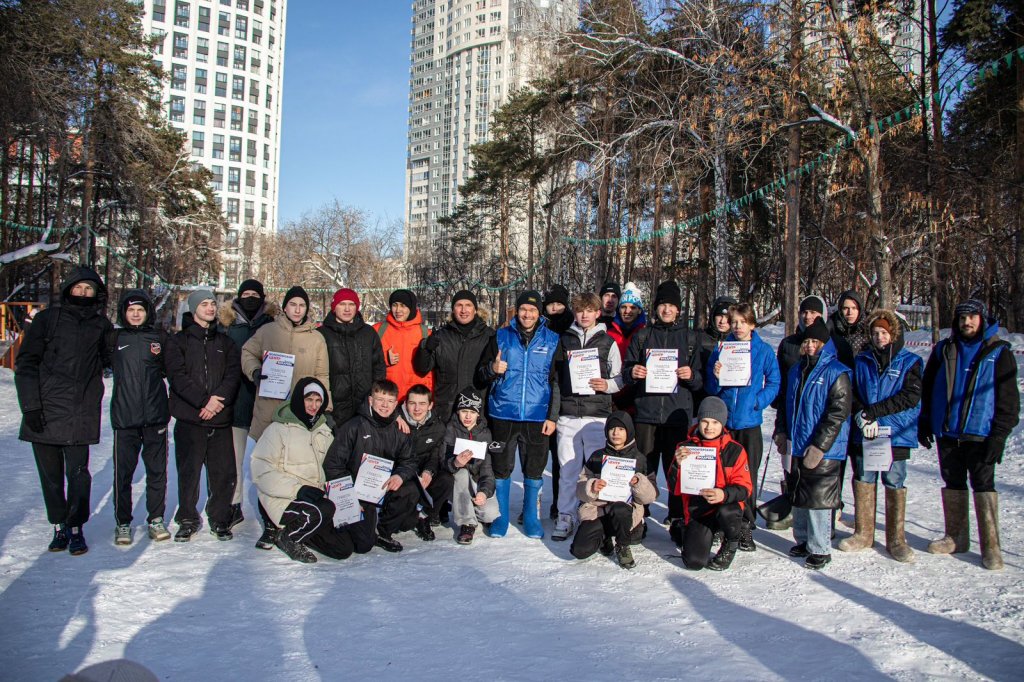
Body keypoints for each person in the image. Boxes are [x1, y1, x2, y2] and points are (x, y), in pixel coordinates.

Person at [15, 266, 112, 555]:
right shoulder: (47, 320)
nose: (83, 293)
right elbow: (26, 365)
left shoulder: (101, 325)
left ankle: (75, 525)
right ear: (68, 289)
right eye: (78, 288)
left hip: (81, 411)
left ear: (97, 293)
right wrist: (30, 405)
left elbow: (113, 358)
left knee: (79, 474)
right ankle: (58, 524)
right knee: (51, 475)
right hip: (44, 410)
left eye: (89, 289)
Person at [919, 299, 1019, 570]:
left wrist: (999, 435)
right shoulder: (944, 349)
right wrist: (925, 421)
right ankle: (956, 537)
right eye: (963, 318)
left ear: (982, 319)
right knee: (952, 482)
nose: (967, 323)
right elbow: (927, 389)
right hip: (948, 432)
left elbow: (1009, 401)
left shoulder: (999, 352)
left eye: (973, 317)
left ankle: (991, 546)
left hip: (981, 433)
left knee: (983, 485)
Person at [476, 290, 559, 539]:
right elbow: (480, 374)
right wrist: (492, 368)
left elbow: (556, 382)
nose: (527, 314)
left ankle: (531, 517)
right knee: (501, 467)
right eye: (523, 309)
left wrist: (552, 417)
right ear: (517, 310)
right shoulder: (500, 336)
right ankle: (501, 516)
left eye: (533, 310)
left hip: (536, 415)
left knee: (534, 469)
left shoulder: (552, 340)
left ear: (539, 313)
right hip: (503, 413)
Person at [840, 309, 921, 563]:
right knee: (864, 477)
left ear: (893, 333)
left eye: (884, 333)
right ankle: (864, 532)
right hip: (866, 432)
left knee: (894, 480)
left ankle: (896, 538)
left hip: (895, 432)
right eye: (875, 333)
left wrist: (873, 412)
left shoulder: (909, 362)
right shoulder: (862, 359)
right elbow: (851, 391)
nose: (879, 337)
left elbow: (910, 396)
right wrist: (861, 414)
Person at [250, 377, 358, 563]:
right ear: (299, 399)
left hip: (316, 499)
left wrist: (345, 495)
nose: (314, 405)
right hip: (284, 499)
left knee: (343, 549)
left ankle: (301, 530)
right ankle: (288, 538)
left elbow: (333, 467)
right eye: (309, 399)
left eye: (318, 400)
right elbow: (261, 471)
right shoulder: (278, 429)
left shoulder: (324, 431)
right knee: (322, 509)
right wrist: (297, 490)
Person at [622, 280, 703, 524]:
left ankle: (677, 513)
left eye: (671, 305)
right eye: (662, 305)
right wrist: (633, 372)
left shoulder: (690, 338)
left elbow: (701, 380)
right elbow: (626, 370)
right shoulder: (643, 335)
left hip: (676, 415)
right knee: (644, 467)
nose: (666, 310)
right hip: (646, 412)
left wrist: (691, 376)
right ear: (655, 308)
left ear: (678, 309)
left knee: (676, 467)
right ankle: (641, 512)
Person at [164, 290, 241, 541]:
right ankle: (187, 518)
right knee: (189, 472)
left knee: (223, 473)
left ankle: (219, 517)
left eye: (212, 304)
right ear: (193, 307)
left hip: (219, 418)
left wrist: (216, 402)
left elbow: (232, 376)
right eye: (204, 304)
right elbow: (178, 377)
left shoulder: (225, 342)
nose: (210, 308)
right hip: (190, 418)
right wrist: (203, 401)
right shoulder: (179, 342)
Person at [705, 303, 780, 551]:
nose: (737, 327)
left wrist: (758, 401)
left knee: (746, 476)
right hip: (725, 425)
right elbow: (711, 387)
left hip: (749, 424)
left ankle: (746, 526)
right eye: (734, 322)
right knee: (721, 474)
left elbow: (774, 381)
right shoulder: (722, 349)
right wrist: (716, 376)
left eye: (742, 322)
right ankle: (720, 524)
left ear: (752, 324)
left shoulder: (763, 350)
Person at [550, 292, 623, 541]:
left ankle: (594, 515)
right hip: (568, 414)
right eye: (580, 310)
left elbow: (620, 377)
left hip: (597, 416)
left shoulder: (608, 342)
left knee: (596, 471)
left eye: (589, 310)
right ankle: (565, 516)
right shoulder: (564, 340)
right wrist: (557, 413)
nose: (584, 315)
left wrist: (608, 385)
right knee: (568, 470)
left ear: (597, 313)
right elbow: (556, 379)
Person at [783, 318, 852, 570]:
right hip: (799, 442)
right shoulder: (796, 370)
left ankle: (820, 547)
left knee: (818, 498)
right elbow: (787, 405)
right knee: (800, 494)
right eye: (807, 341)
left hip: (824, 447)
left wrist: (820, 445)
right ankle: (803, 539)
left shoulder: (837, 372)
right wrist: (783, 433)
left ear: (825, 344)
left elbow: (838, 413)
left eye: (816, 341)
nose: (811, 346)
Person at [323, 379, 419, 553]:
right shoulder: (354, 427)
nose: (385, 405)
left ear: (396, 403)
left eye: (390, 401)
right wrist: (349, 495)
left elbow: (410, 461)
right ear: (370, 400)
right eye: (380, 399)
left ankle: (384, 530)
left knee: (411, 490)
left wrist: (400, 476)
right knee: (363, 545)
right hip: (357, 492)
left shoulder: (399, 429)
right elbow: (333, 465)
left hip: (383, 488)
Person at [107, 289, 171, 545]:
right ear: (124, 312)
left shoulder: (159, 338)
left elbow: (169, 369)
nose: (135, 314)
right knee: (123, 473)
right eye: (131, 310)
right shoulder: (114, 338)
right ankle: (123, 522)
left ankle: (156, 518)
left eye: (140, 310)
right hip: (125, 418)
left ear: (147, 312)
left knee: (157, 472)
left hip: (155, 416)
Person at [218, 278, 276, 532]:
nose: (250, 298)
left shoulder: (274, 325)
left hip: (268, 400)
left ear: (262, 298)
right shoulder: (228, 326)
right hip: (237, 398)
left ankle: (271, 508)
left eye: (255, 294)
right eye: (246, 294)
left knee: (269, 460)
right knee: (233, 458)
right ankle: (233, 505)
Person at [670, 397, 753, 571]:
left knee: (728, 511)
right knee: (694, 562)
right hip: (698, 510)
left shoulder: (735, 449)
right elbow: (673, 488)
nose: (709, 427)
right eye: (705, 421)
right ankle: (701, 532)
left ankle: (731, 542)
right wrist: (677, 466)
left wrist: (724, 494)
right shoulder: (685, 448)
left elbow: (745, 488)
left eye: (715, 422)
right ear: (698, 421)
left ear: (722, 424)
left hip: (725, 506)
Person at [767, 294, 828, 530]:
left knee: (819, 468)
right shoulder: (789, 344)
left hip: (818, 416)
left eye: (814, 312)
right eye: (804, 312)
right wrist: (779, 415)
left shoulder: (831, 343)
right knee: (791, 464)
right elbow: (780, 380)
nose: (808, 316)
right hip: (791, 414)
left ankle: (826, 515)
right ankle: (792, 507)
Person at [241, 286, 330, 442]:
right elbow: (247, 352)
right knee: (262, 460)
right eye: (293, 304)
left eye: (302, 305)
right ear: (285, 307)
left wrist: (326, 407)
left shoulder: (316, 338)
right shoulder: (267, 331)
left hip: (301, 409)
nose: (297, 310)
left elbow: (322, 375)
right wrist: (254, 371)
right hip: (268, 408)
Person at [570, 412, 656, 569]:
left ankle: (623, 546)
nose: (616, 433)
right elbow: (579, 487)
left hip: (626, 512)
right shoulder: (597, 456)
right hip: (599, 511)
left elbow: (651, 496)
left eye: (621, 429)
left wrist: (639, 483)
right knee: (579, 551)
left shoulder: (640, 459)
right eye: (612, 429)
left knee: (620, 508)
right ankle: (604, 536)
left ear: (629, 431)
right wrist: (591, 486)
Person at [413, 289, 494, 423]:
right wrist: (425, 348)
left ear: (475, 310)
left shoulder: (489, 336)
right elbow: (422, 368)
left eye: (468, 305)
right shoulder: (440, 336)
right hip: (446, 411)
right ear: (453, 310)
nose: (463, 310)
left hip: (477, 411)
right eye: (459, 305)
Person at [319, 287, 386, 428]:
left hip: (363, 406)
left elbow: (378, 367)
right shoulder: (322, 334)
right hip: (334, 409)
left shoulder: (368, 333)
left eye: (352, 304)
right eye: (342, 304)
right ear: (334, 307)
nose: (347, 309)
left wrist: (375, 398)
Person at [443, 387, 502, 545]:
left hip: (477, 482)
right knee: (461, 474)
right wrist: (455, 463)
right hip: (456, 485)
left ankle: (475, 509)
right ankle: (467, 522)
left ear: (478, 413)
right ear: (458, 412)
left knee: (490, 514)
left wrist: (484, 491)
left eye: (472, 411)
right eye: (463, 411)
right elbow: (442, 461)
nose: (468, 416)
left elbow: (487, 469)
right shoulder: (451, 429)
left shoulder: (485, 433)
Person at [400, 383, 453, 538]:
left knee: (446, 480)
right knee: (403, 525)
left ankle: (425, 516)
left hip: (423, 471)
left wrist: (429, 471)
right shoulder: (395, 422)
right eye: (412, 403)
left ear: (430, 405)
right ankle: (403, 515)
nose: (417, 409)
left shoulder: (437, 426)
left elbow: (435, 454)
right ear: (405, 404)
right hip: (402, 474)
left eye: (422, 404)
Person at [542, 284, 573, 519]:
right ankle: (544, 503)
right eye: (551, 304)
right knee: (545, 455)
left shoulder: (572, 329)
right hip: (543, 397)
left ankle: (563, 503)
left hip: (569, 397)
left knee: (565, 459)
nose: (555, 308)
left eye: (559, 303)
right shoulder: (541, 327)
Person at [374, 289, 433, 402]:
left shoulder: (425, 333)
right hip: (387, 398)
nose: (398, 310)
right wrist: (384, 359)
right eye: (394, 305)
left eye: (403, 306)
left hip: (415, 399)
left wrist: (429, 398)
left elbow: (431, 371)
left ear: (411, 308)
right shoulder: (378, 331)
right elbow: (364, 361)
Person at [607, 281, 646, 414]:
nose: (627, 311)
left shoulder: (646, 333)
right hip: (614, 395)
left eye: (633, 307)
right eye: (623, 307)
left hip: (638, 396)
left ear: (639, 310)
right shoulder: (608, 334)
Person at [830, 290, 870, 370]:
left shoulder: (869, 328)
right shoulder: (832, 327)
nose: (850, 312)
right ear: (840, 309)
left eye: (854, 308)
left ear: (860, 309)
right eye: (845, 308)